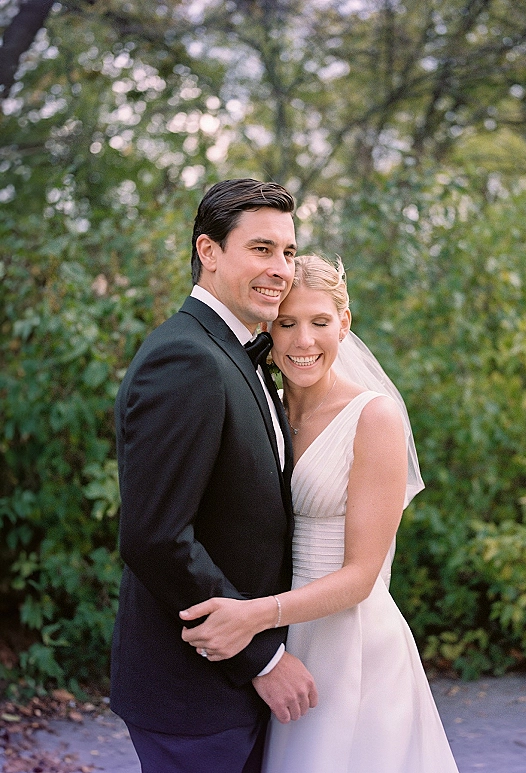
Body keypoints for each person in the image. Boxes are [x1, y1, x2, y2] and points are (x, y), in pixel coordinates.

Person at [180, 254, 459, 772]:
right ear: (269, 326)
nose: (303, 341)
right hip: (283, 636)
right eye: (287, 324)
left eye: (320, 322)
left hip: (348, 640)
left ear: (344, 323)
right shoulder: (266, 405)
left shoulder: (374, 417)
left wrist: (252, 618)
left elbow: (360, 578)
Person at [110, 179, 318, 773]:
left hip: (231, 690)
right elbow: (156, 537)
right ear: (209, 250)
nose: (280, 268)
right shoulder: (187, 358)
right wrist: (263, 660)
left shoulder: (240, 352)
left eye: (287, 251)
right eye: (261, 249)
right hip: (195, 694)